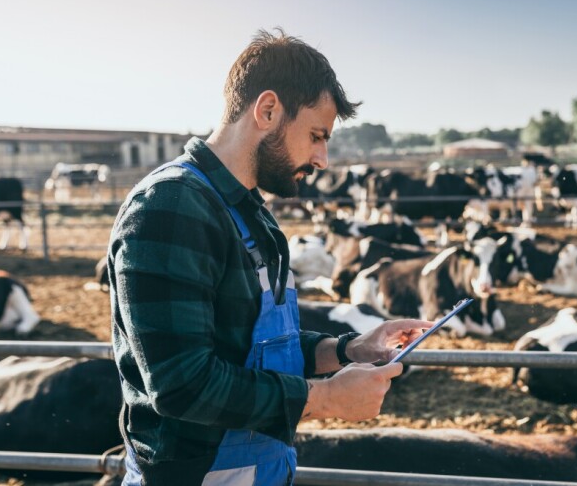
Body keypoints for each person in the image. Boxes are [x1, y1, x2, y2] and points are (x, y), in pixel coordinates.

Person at [108, 28, 434, 486]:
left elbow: (256, 348)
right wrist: (324, 400)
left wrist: (348, 349)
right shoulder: (171, 207)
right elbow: (181, 384)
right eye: (316, 136)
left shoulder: (249, 212)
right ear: (267, 111)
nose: (322, 159)